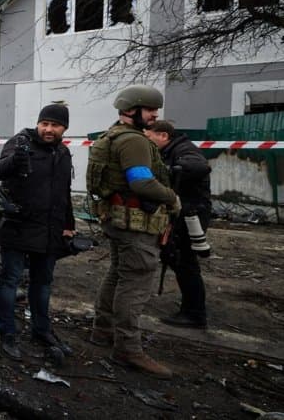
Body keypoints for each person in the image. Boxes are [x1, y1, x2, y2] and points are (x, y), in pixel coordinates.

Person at [87, 85, 180, 380]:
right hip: (135, 225)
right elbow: (141, 182)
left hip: (117, 219)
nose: (155, 115)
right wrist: (172, 198)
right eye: (150, 110)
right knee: (136, 282)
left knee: (117, 273)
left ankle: (102, 331)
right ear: (131, 110)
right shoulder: (134, 141)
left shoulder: (111, 135)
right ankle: (128, 348)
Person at [0, 104, 75, 360]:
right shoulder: (20, 142)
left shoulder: (62, 152)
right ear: (38, 123)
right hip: (18, 226)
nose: (49, 129)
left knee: (43, 284)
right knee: (10, 280)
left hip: (50, 229)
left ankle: (42, 330)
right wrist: (14, 162)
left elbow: (64, 193)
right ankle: (7, 333)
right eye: (45, 124)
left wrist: (69, 224)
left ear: (64, 128)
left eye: (55, 125)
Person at [144, 120, 211, 328]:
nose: (147, 142)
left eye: (149, 137)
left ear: (163, 136)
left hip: (191, 213)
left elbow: (200, 166)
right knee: (175, 258)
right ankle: (192, 307)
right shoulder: (171, 150)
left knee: (184, 261)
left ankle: (194, 314)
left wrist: (169, 171)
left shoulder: (183, 150)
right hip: (182, 212)